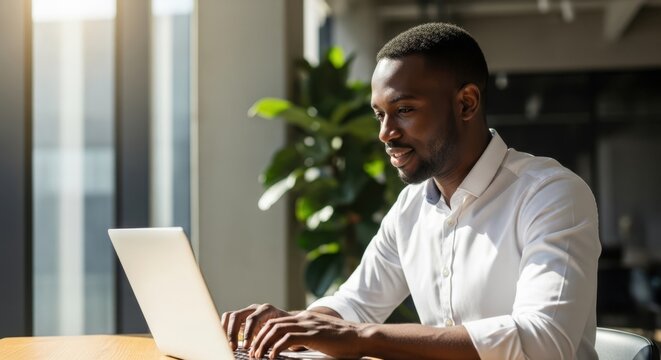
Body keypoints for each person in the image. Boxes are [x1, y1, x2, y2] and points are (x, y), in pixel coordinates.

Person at [222, 22, 601, 360]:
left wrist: (360, 338)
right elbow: (355, 305)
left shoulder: (551, 195)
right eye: (379, 114)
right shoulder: (412, 207)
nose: (385, 133)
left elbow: (545, 342)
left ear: (466, 103)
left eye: (404, 109)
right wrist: (292, 327)